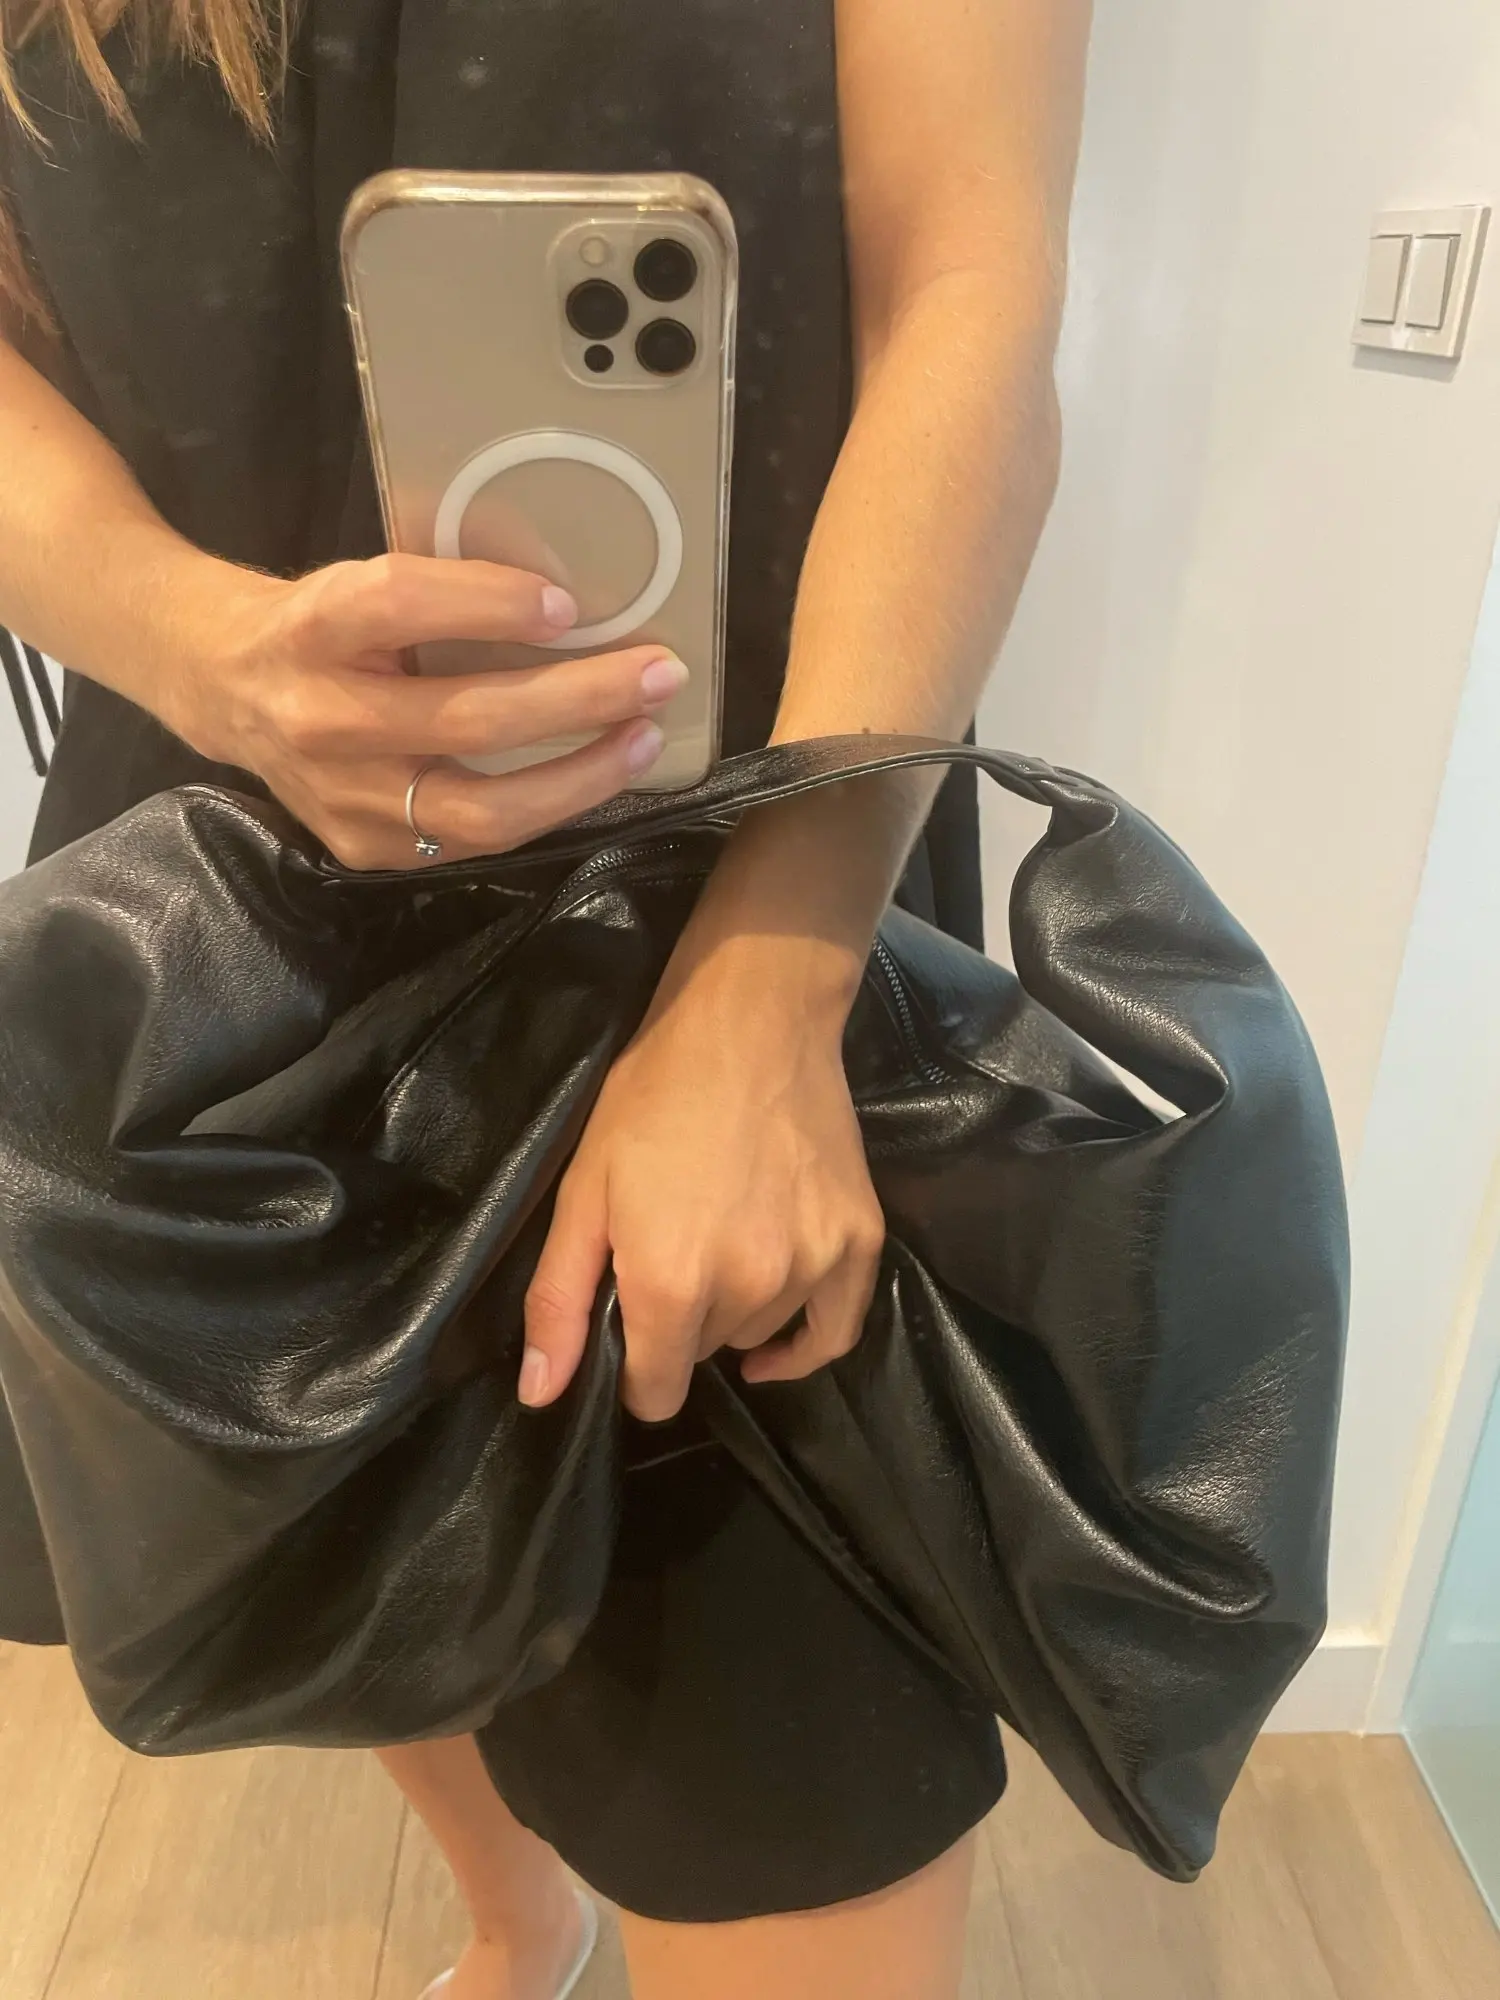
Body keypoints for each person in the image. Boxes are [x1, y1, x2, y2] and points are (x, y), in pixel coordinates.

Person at [0, 2, 1089, 1995]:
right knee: (357, 1548)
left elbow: (969, 297)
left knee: (783, 1764)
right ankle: (526, 1909)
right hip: (221, 874)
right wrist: (197, 644)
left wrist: (768, 998)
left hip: (744, 860)